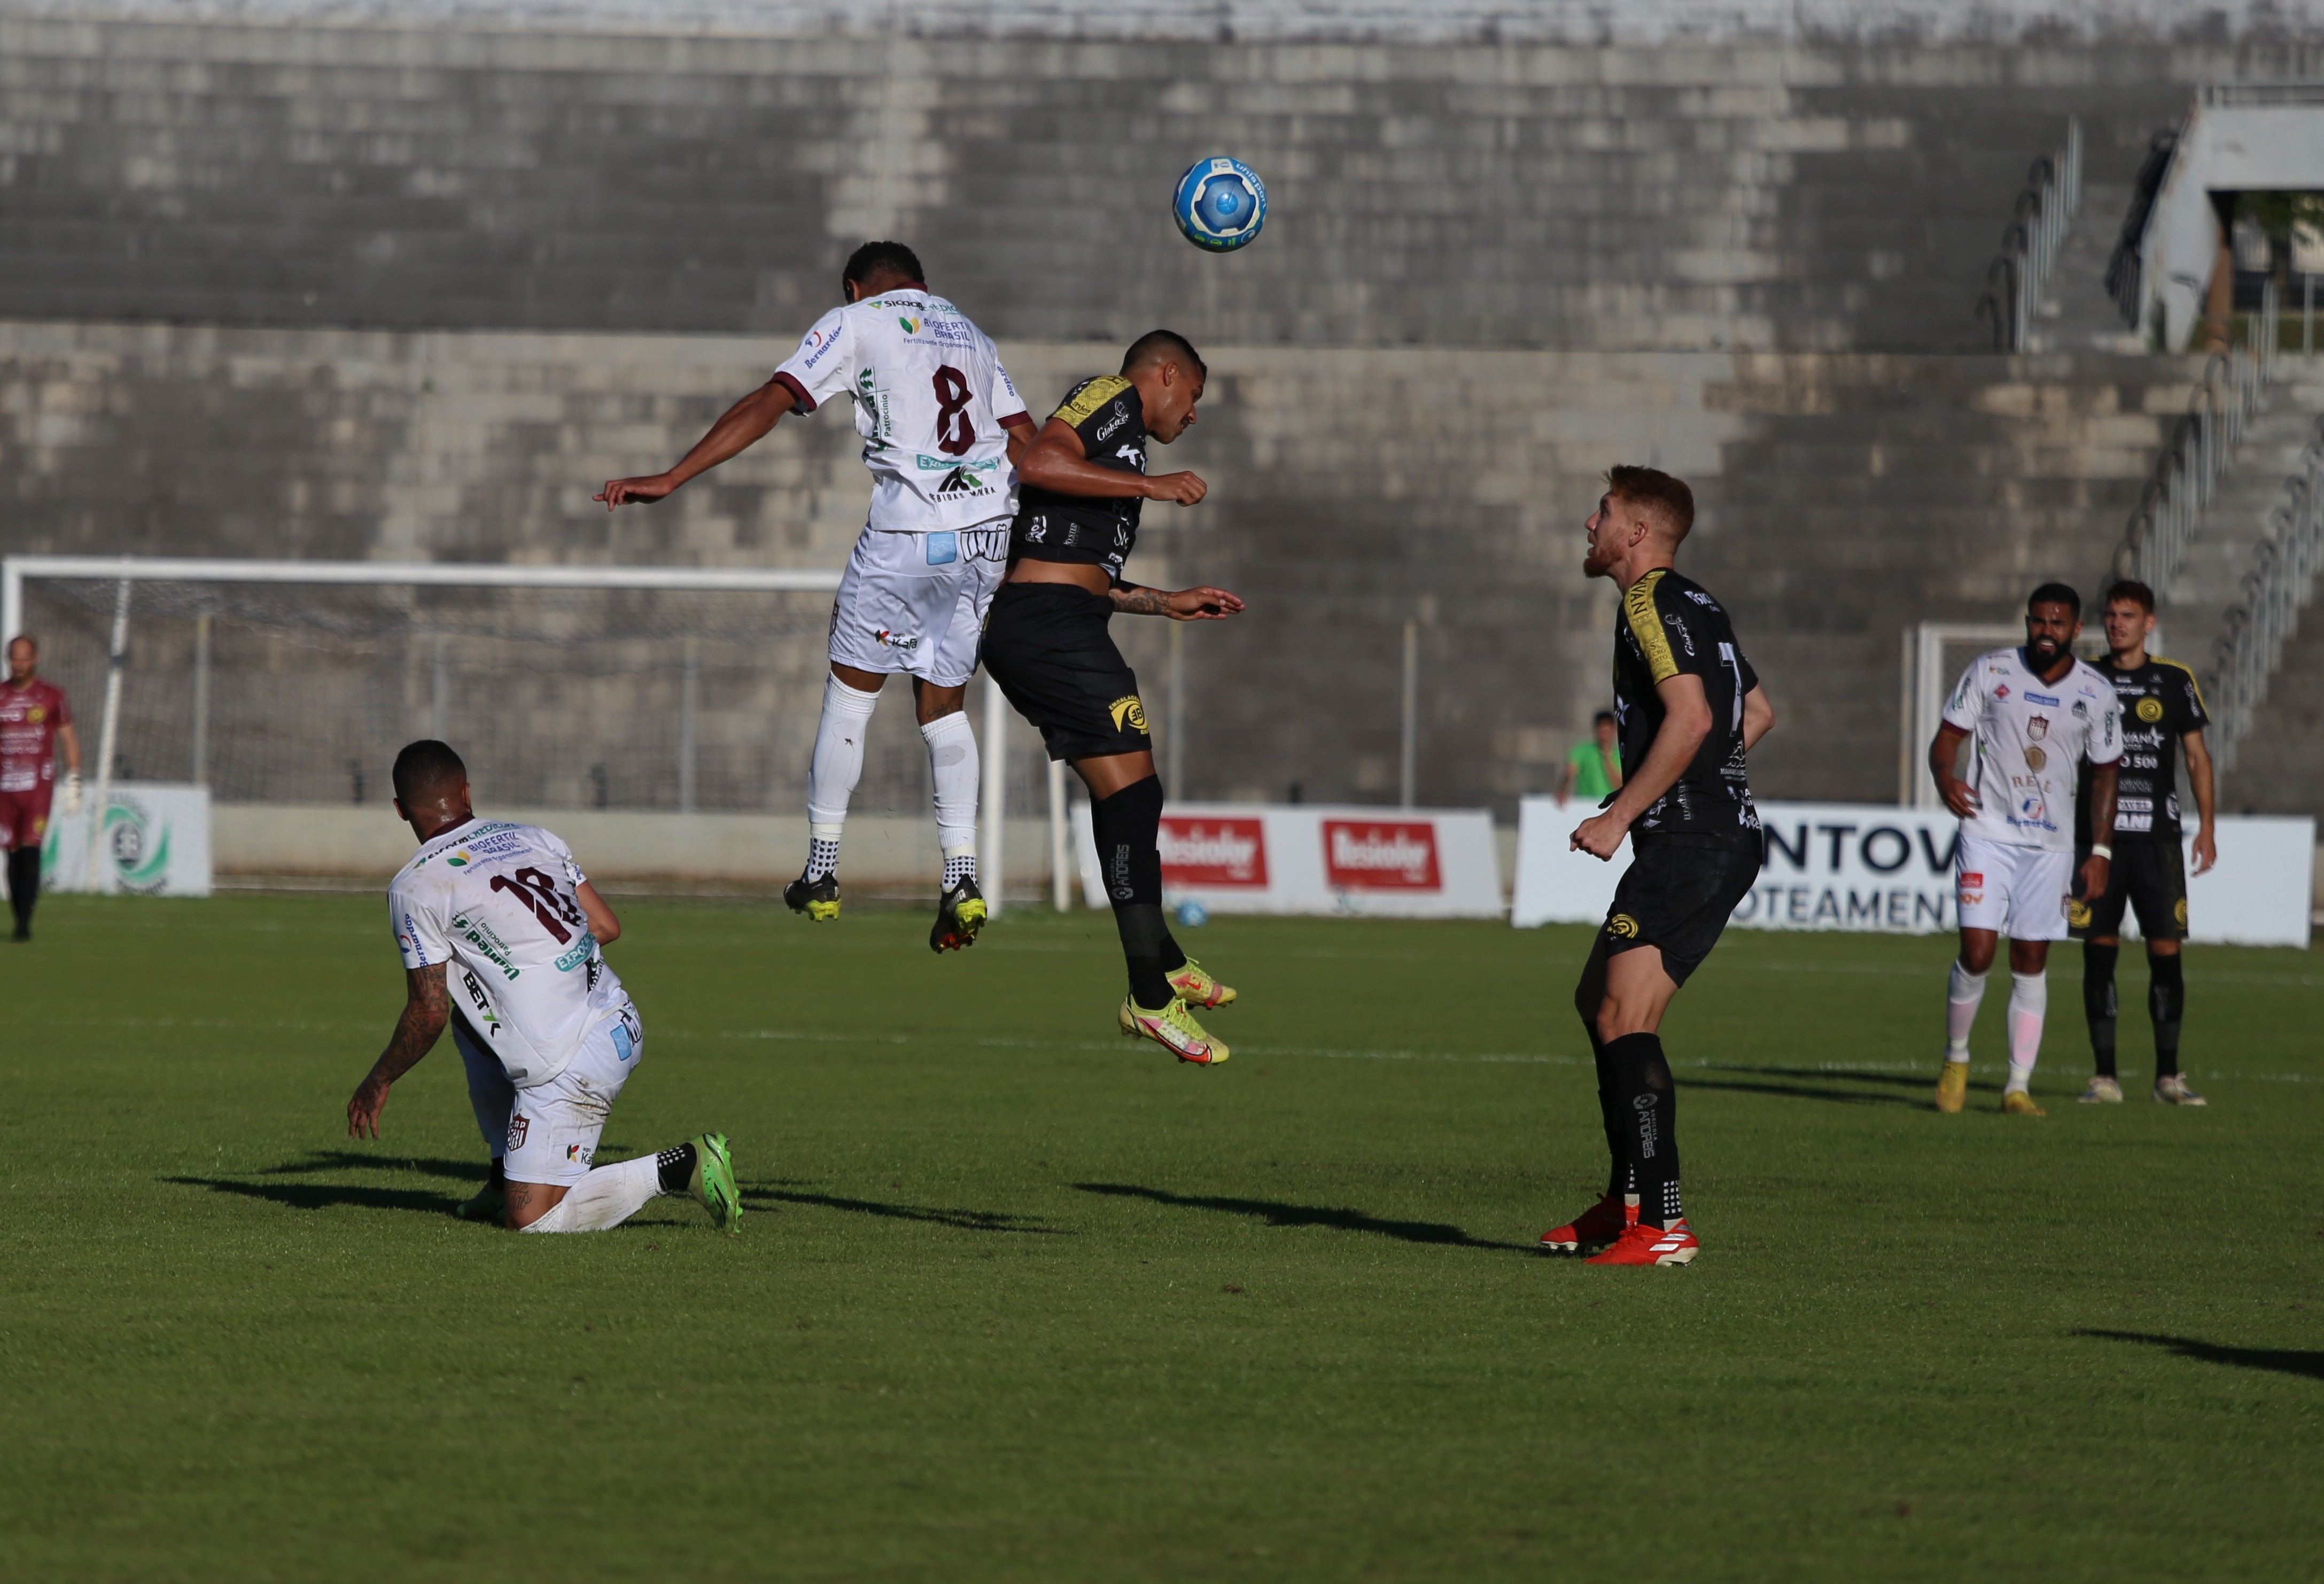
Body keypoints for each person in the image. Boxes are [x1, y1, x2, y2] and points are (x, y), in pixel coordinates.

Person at [596, 241, 1036, 952]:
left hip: (906, 534)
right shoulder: (971, 332)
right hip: (988, 535)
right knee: (943, 709)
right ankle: (961, 876)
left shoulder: (854, 319)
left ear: (856, 286)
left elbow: (774, 399)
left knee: (851, 691)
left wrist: (673, 477)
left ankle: (823, 870)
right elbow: (1027, 441)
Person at [979, 331, 1246, 1064]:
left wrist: (1166, 602)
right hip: (1045, 626)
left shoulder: (1123, 452)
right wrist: (1151, 486)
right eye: (1192, 397)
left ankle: (1160, 961)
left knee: (1131, 795)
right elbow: (1038, 459)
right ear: (1167, 374)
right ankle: (1150, 993)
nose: (1191, 415)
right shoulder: (1111, 397)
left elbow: (1082, 568)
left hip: (1062, 621)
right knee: (1133, 799)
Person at [346, 740, 741, 1234]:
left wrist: (377, 1081)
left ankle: (681, 1166)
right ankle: (500, 1174)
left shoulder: (417, 885)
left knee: (530, 1219)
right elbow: (606, 925)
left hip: (569, 1059)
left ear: (400, 809)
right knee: (471, 1017)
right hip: (618, 1017)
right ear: (467, 792)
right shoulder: (533, 836)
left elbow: (427, 1012)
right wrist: (536, 964)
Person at [1542, 467, 1775, 1267]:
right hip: (1708, 832)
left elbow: (1696, 717)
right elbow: (1757, 713)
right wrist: (1688, 783)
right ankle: (1625, 1200)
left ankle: (1662, 1222)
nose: (1588, 522)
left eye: (1601, 511)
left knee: (1623, 1017)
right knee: (1597, 1000)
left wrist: (1622, 811)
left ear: (1636, 531)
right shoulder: (1700, 604)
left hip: (1692, 841)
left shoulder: (1648, 601)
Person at [1927, 584, 2121, 1118]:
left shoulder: (2095, 691)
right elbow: (1946, 737)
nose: (2045, 631)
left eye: (2056, 623)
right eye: (2037, 621)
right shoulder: (1990, 671)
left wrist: (2099, 849)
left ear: (2075, 629)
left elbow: (2106, 772)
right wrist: (1943, 776)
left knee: (2030, 959)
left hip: (2051, 845)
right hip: (1986, 832)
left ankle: (2016, 1086)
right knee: (1977, 951)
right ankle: (1956, 1057)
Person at [2072, 580, 2214, 1106]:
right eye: (2110, 615)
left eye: (2127, 615)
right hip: (2098, 841)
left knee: (2165, 955)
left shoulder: (2173, 679)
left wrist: (2207, 826)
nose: (2116, 623)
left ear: (2147, 622)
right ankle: (2103, 1077)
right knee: (2098, 955)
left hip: (2157, 840)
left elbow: (2196, 757)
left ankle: (2167, 1078)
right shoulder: (2083, 676)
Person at [1, 635, 82, 941]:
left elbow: (68, 737)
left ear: (35, 659)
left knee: (32, 853)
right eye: (14, 658)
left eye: (25, 658)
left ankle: (24, 926)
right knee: (12, 856)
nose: (19, 664)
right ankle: (19, 916)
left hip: (38, 787)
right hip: (5, 790)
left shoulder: (51, 696)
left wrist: (75, 777)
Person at [1556, 711, 1622, 806]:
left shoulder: (1620, 755)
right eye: (1602, 732)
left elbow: (1618, 785)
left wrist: (1607, 757)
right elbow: (1570, 772)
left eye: (1607, 732)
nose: (1604, 737)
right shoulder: (1582, 750)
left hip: (1610, 806)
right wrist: (1563, 790)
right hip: (1586, 804)